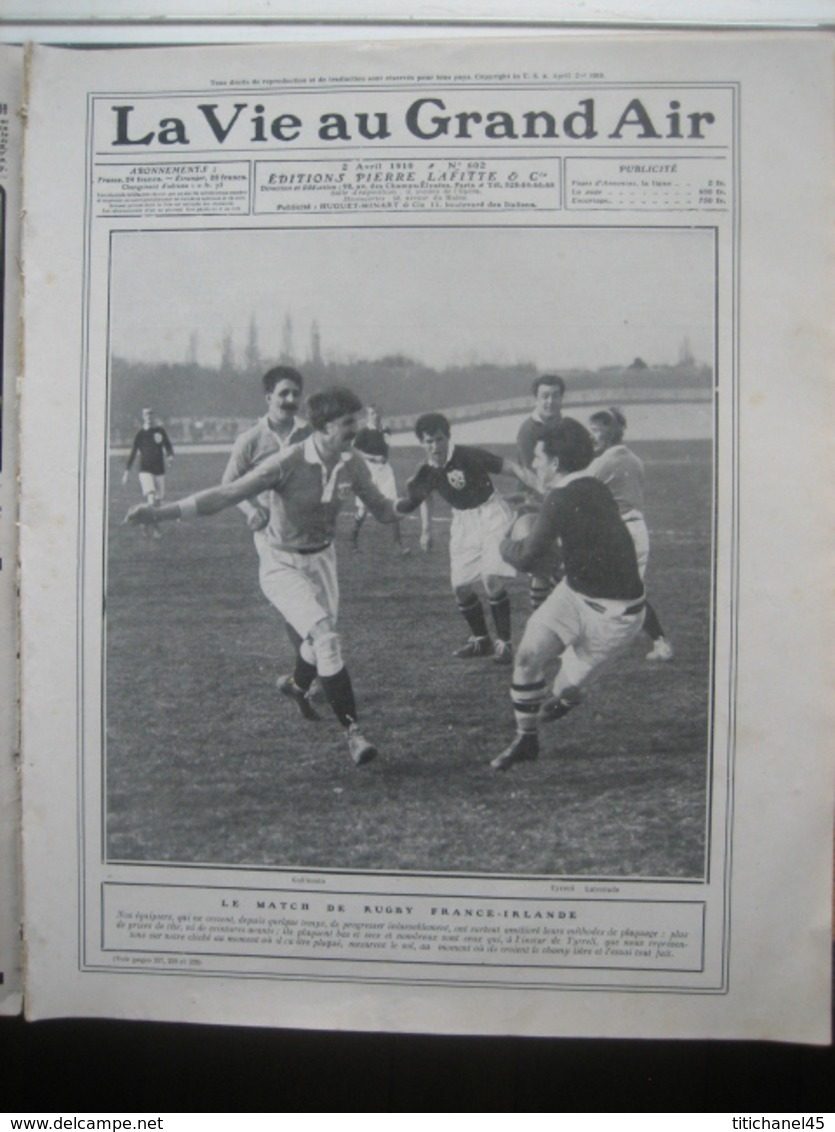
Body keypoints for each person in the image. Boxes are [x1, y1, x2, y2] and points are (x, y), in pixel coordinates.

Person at [126, 386, 402, 767]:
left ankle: (296, 684)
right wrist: (159, 513)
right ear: (322, 427)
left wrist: (417, 495)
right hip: (281, 563)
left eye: (355, 422)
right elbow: (225, 494)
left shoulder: (351, 463)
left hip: (323, 560)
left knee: (316, 639)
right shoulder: (287, 462)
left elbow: (384, 510)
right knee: (325, 637)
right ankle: (354, 734)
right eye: (347, 424)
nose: (354, 431)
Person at [490, 417, 646, 771]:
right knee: (529, 657)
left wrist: (501, 542)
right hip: (575, 592)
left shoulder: (565, 497)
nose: (534, 464)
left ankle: (569, 695)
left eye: (539, 458)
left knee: (564, 690)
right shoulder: (590, 486)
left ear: (556, 464)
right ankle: (526, 740)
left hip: (614, 618)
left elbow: (528, 556)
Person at [396, 412, 527, 666]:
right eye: (428, 441)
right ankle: (481, 641)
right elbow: (425, 497)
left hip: (491, 514)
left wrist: (532, 481)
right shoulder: (425, 470)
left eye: (439, 439)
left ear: (448, 437)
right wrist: (426, 530)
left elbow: (508, 466)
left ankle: (505, 645)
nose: (435, 446)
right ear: (421, 443)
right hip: (463, 522)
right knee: (460, 587)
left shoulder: (467, 455)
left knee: (490, 577)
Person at [588, 408, 673, 662]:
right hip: (638, 530)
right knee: (628, 592)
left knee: (602, 590)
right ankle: (659, 642)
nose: (590, 437)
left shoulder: (600, 464)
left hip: (617, 533)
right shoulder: (635, 460)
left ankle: (598, 644)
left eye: (594, 431)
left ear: (606, 434)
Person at [516, 374, 566, 610]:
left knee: (551, 565)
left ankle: (546, 618)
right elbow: (531, 473)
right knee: (545, 566)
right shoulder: (529, 430)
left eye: (555, 395)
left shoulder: (565, 426)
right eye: (545, 396)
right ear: (535, 398)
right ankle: (541, 620)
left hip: (559, 500)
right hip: (537, 501)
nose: (550, 401)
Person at [350, 405, 409, 556]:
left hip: (385, 471)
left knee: (393, 504)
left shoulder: (386, 431)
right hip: (368, 470)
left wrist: (381, 458)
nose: (375, 416)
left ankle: (398, 546)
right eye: (372, 413)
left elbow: (384, 448)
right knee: (362, 510)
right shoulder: (363, 432)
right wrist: (372, 457)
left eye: (377, 413)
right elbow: (354, 450)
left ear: (382, 414)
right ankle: (353, 541)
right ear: (368, 416)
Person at [122, 407, 174, 537]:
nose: (149, 416)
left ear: (153, 416)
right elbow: (133, 453)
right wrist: (127, 471)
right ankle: (155, 529)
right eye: (146, 414)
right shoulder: (140, 434)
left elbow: (168, 446)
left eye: (151, 414)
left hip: (159, 470)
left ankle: (143, 521)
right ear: (143, 417)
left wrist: (170, 456)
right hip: (145, 470)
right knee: (151, 498)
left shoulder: (160, 431)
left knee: (158, 502)